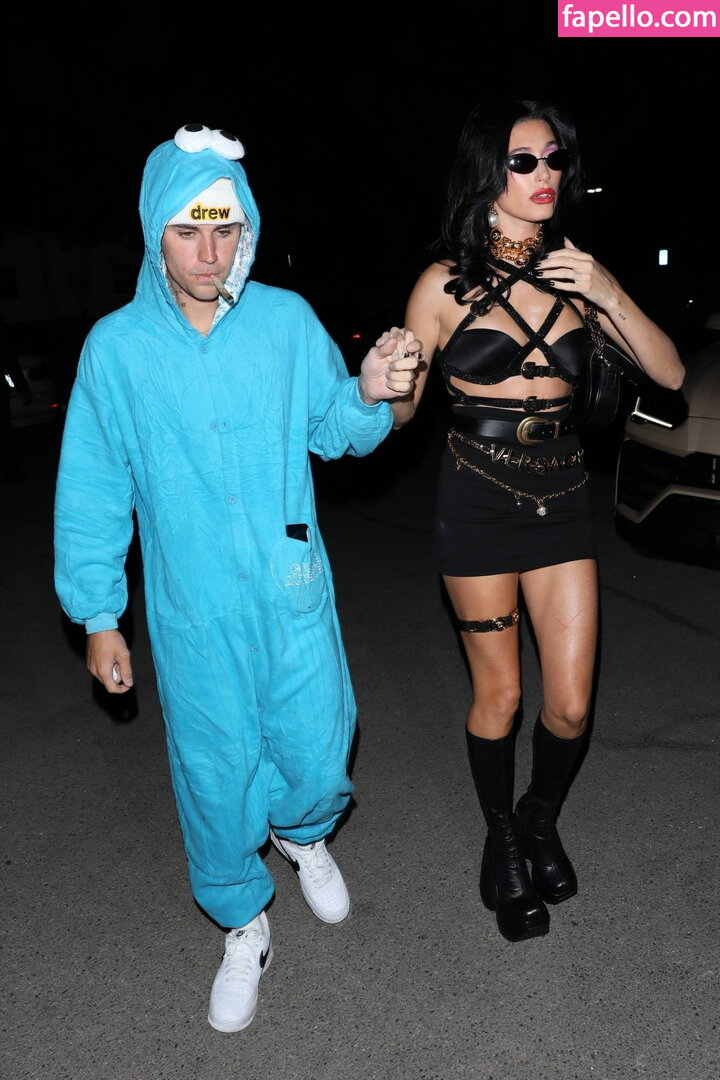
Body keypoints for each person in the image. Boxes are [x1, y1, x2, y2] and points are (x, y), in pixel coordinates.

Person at [53, 123, 421, 1031]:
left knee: (321, 746)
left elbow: (335, 430)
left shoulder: (286, 322)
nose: (209, 252)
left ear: (247, 228)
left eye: (225, 229)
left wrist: (369, 391)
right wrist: (99, 615)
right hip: (194, 612)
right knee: (214, 773)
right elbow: (93, 490)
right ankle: (243, 921)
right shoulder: (115, 351)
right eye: (188, 230)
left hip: (291, 591)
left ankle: (304, 835)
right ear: (155, 232)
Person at [393, 98, 684, 943]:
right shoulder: (440, 283)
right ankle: (503, 846)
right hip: (476, 499)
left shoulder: (578, 275)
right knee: (502, 694)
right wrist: (392, 378)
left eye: (554, 159)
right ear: (488, 174)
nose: (545, 174)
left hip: (559, 497)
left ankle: (539, 817)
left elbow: (669, 375)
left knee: (570, 707)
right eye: (523, 161)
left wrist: (608, 289)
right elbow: (403, 412)